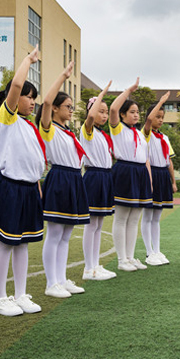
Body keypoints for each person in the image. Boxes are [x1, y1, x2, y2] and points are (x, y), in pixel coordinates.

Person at [0, 46, 44, 316]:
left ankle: (20, 295)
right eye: (28, 97)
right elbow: (17, 83)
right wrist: (28, 60)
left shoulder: (29, 126)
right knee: (6, 243)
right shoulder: (6, 120)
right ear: (13, 98)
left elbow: (34, 163)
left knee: (24, 242)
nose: (32, 102)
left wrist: (38, 188)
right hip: (9, 188)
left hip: (29, 189)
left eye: (34, 98)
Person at [39, 61, 90, 298]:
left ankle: (61, 279)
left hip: (73, 178)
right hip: (59, 177)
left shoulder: (69, 132)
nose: (71, 110)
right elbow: (46, 102)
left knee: (67, 233)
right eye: (67, 106)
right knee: (55, 232)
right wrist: (62, 75)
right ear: (57, 109)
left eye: (72, 106)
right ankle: (52, 283)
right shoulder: (48, 128)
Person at [109, 78, 151, 271]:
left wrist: (148, 180)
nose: (136, 115)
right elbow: (112, 110)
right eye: (132, 112)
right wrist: (129, 90)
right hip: (125, 171)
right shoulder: (118, 129)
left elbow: (145, 158)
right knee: (122, 216)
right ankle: (121, 260)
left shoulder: (140, 133)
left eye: (137, 112)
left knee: (135, 217)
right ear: (123, 114)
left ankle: (130, 256)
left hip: (140, 173)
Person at [80, 81, 117, 281]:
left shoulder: (103, 135)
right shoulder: (87, 130)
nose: (103, 115)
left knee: (99, 224)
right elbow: (91, 116)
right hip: (93, 176)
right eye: (100, 111)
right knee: (91, 224)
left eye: (105, 112)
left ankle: (95, 265)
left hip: (105, 176)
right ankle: (88, 268)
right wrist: (102, 93)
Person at [140, 92, 176, 266]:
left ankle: (157, 250)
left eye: (162, 117)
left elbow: (168, 160)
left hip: (162, 175)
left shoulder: (165, 138)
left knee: (157, 216)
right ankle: (148, 253)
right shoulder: (145, 134)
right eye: (157, 116)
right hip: (150, 173)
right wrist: (161, 101)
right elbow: (148, 122)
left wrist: (173, 181)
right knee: (147, 215)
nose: (160, 120)